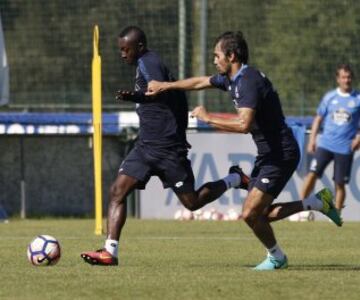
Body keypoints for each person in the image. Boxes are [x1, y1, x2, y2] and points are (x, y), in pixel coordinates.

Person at [146, 31, 343, 270]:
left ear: (231, 55)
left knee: (250, 214)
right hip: (268, 154)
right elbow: (199, 82)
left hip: (281, 154)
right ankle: (317, 203)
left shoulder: (248, 81)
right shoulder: (231, 78)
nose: (214, 60)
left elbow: (243, 124)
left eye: (217, 56)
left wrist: (209, 118)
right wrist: (166, 86)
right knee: (260, 214)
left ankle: (277, 257)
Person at [80, 26, 249, 266]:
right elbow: (164, 95)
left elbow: (158, 91)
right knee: (117, 191)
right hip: (146, 146)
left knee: (192, 203)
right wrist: (136, 97)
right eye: (120, 50)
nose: (122, 54)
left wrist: (138, 97)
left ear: (139, 47)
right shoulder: (144, 64)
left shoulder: (149, 62)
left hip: (169, 149)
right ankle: (110, 251)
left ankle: (234, 179)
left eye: (125, 49)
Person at [300, 64, 360, 215]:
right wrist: (312, 139)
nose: (346, 80)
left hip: (345, 147)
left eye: (349, 77)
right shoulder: (330, 97)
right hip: (325, 145)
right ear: (338, 79)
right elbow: (318, 119)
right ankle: (300, 209)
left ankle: (336, 214)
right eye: (343, 77)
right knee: (311, 175)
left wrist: (358, 137)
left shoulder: (358, 99)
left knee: (339, 183)